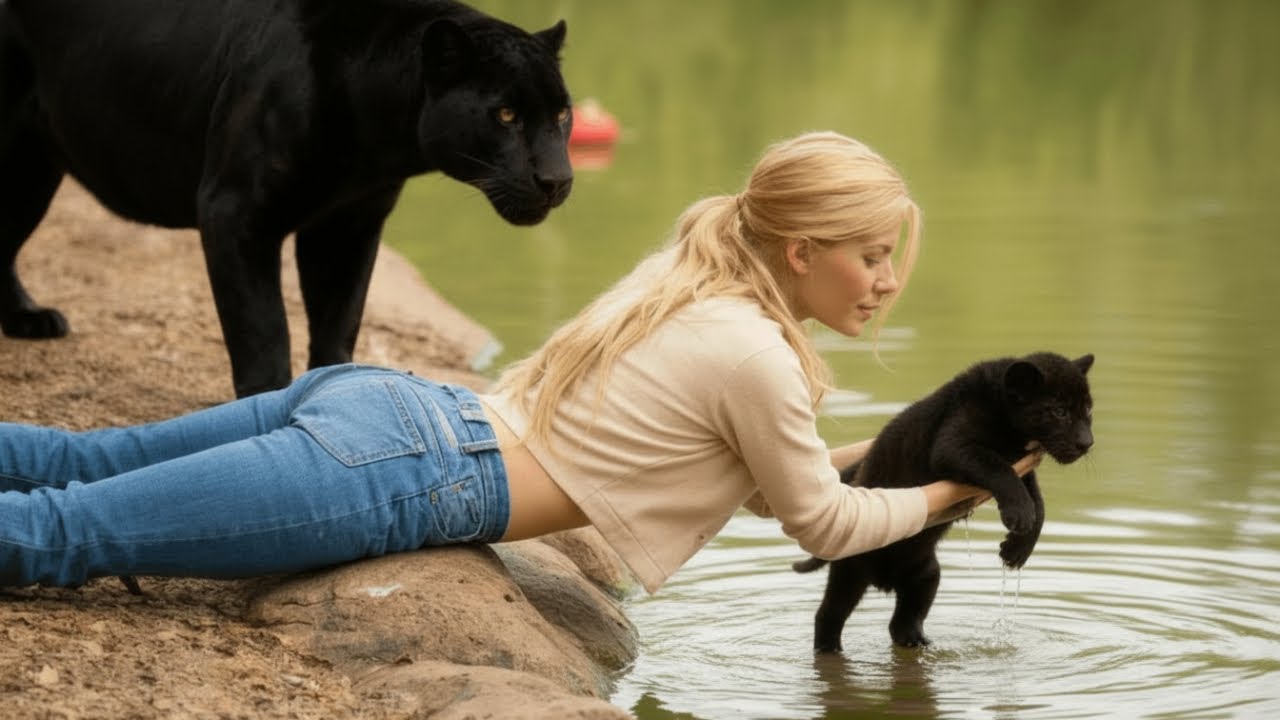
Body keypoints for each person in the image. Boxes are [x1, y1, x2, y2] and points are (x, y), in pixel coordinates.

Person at [0, 131, 1041, 593]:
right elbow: (822, 522)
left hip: (388, 413)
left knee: (78, 467)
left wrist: (909, 454)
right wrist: (961, 485)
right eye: (871, 256)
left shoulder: (695, 278)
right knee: (62, 537)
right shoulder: (752, 355)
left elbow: (781, 487)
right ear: (802, 253)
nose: (886, 280)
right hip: (405, 472)